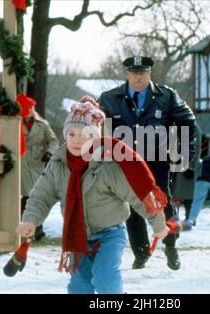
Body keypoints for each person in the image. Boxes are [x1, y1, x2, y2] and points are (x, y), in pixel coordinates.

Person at [16, 98, 169, 294]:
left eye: (84, 135)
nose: (77, 140)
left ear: (96, 137)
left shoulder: (108, 165)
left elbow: (138, 195)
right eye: (71, 134)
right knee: (80, 286)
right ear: (65, 135)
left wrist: (158, 224)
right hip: (77, 235)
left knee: (105, 279)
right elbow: (41, 196)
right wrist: (30, 220)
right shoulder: (58, 164)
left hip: (110, 233)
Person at [98, 55, 197, 270]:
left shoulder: (167, 96)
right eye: (134, 72)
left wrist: (187, 154)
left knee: (162, 202)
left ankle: (170, 246)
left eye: (142, 72)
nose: (138, 77)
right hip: (126, 161)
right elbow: (92, 122)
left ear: (149, 73)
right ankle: (141, 252)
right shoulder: (109, 98)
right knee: (132, 205)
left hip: (157, 158)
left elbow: (188, 122)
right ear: (127, 74)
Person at [21, 101, 59, 241]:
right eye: (26, 107)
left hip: (37, 165)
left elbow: (53, 141)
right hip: (20, 164)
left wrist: (49, 152)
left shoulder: (42, 125)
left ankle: (37, 229)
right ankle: (28, 228)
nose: (29, 110)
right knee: (24, 197)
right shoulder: (14, 123)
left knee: (36, 196)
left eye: (31, 107)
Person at [171, 126, 202, 220]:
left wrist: (191, 166)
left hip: (187, 166)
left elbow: (196, 148)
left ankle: (189, 218)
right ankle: (174, 217)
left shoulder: (194, 128)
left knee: (188, 195)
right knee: (173, 194)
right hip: (175, 165)